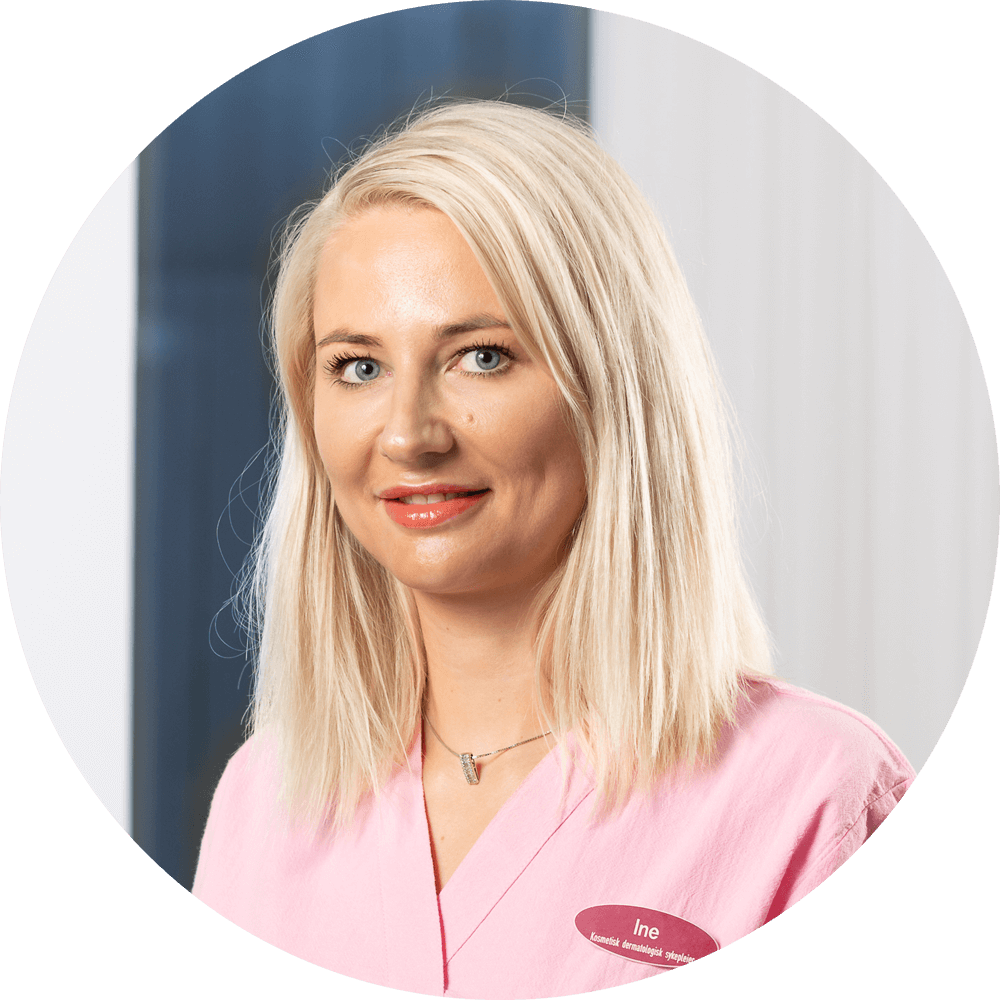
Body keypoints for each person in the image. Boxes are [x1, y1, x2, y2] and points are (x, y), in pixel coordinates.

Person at [192, 100, 915, 994]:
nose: (409, 435)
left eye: (481, 356)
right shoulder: (264, 797)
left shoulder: (817, 794)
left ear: (613, 388)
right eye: (360, 367)